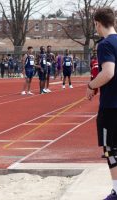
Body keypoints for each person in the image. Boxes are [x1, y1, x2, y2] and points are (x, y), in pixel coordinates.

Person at [86, 8, 117, 200]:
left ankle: (116, 190)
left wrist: (91, 85)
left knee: (110, 149)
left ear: (98, 23)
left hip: (111, 106)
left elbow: (108, 73)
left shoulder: (105, 44)